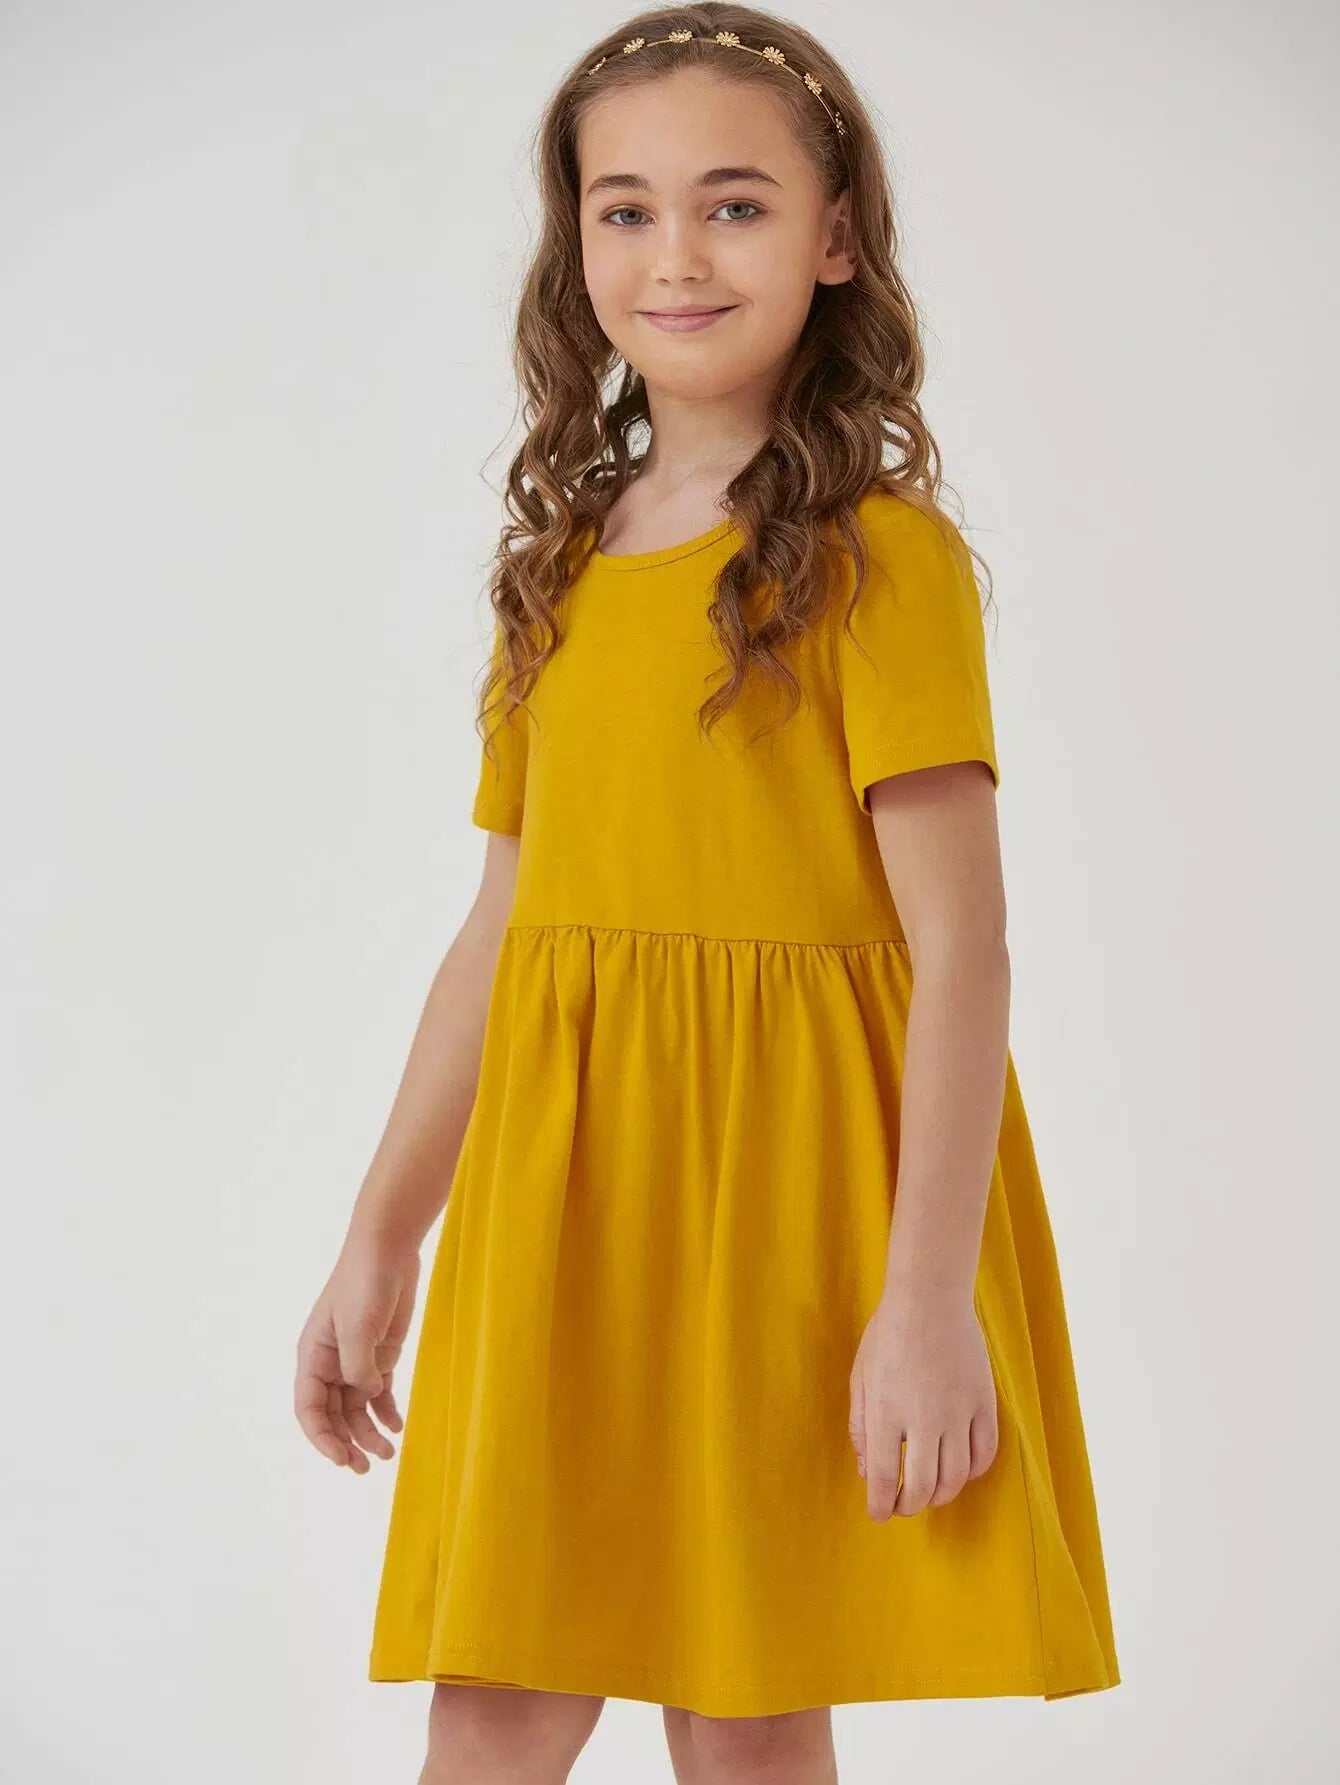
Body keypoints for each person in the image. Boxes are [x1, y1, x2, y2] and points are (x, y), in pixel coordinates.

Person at [294, 5, 1121, 1779]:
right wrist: (383, 1227)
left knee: (742, 1710)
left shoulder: (879, 559)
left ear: (836, 238)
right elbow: (504, 931)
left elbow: (962, 944)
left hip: (790, 1217)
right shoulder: (558, 566)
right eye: (627, 209)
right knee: (499, 1695)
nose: (676, 255)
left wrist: (927, 1297)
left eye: (734, 205)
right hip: (569, 1203)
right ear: (576, 241)